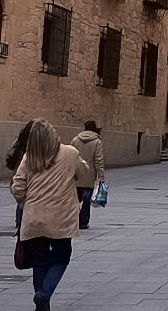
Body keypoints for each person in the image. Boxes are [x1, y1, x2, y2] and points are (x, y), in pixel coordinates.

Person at [11, 119, 89, 311]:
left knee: (40, 259)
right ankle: (44, 294)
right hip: (61, 218)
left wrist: (25, 203)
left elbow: (18, 186)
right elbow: (83, 171)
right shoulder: (70, 153)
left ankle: (41, 302)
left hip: (34, 218)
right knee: (62, 256)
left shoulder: (29, 157)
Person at [68, 120, 105, 230]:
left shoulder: (75, 140)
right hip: (89, 175)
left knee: (75, 199)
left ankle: (72, 220)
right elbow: (99, 160)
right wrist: (101, 177)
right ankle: (83, 222)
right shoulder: (97, 142)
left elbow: (70, 155)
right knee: (86, 200)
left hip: (76, 173)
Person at [6, 120, 35, 228]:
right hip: (30, 174)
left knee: (21, 197)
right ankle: (22, 220)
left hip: (17, 173)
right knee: (28, 198)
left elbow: (10, 154)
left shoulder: (18, 142)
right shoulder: (35, 145)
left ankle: (19, 221)